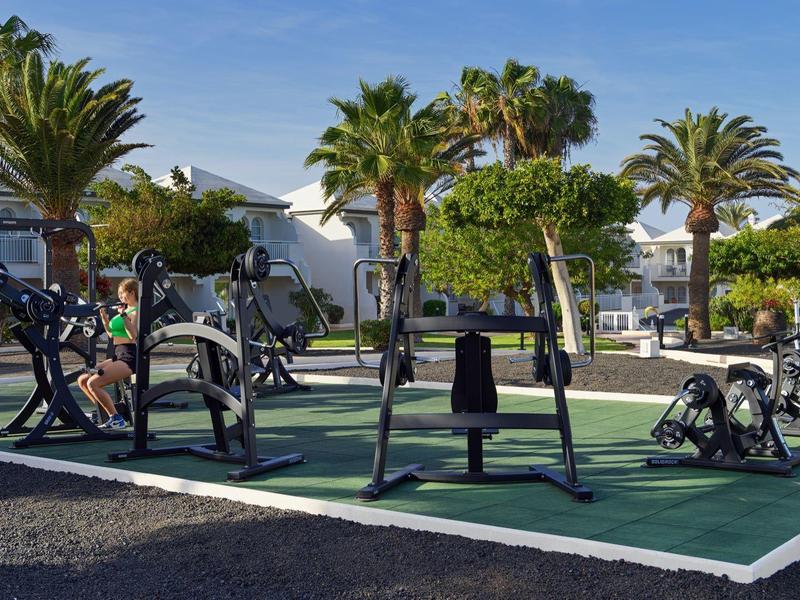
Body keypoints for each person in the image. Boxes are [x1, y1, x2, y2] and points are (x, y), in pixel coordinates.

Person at [77, 278, 139, 429]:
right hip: (117, 354)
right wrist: (105, 319)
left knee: (94, 383)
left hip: (129, 356)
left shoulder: (135, 311)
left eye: (122, 293)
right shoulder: (123, 311)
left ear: (132, 292)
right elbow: (111, 335)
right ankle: (107, 414)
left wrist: (124, 316)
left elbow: (133, 335)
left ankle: (116, 418)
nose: (120, 297)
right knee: (83, 380)